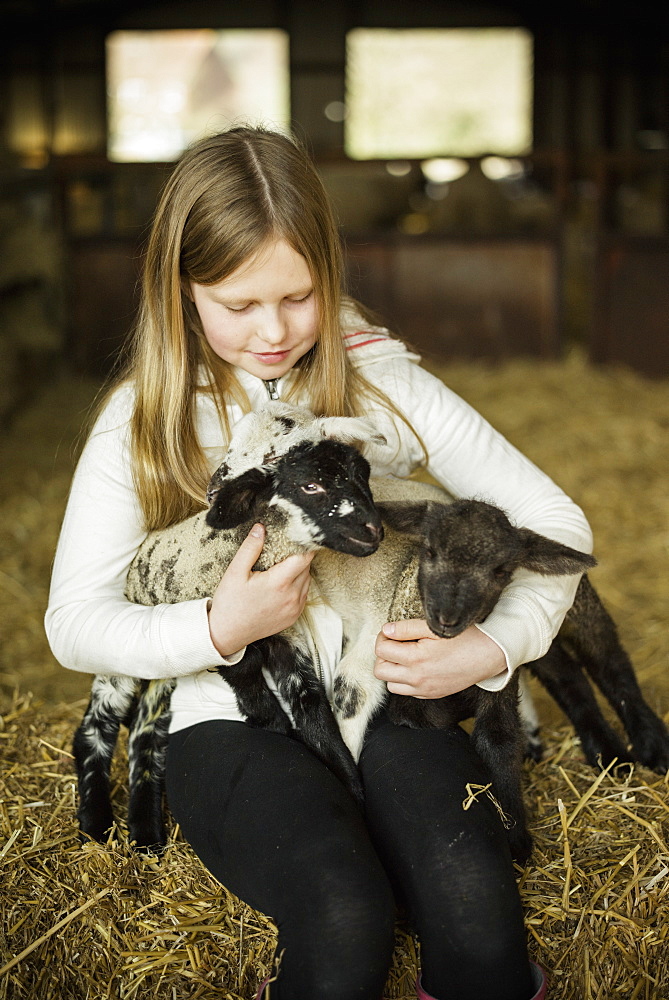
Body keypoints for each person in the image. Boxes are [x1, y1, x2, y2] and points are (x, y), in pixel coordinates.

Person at [46, 126, 592, 1000]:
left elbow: (552, 519)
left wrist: (491, 649)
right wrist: (218, 627)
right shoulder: (140, 418)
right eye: (237, 304)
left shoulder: (379, 385)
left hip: (378, 689)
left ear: (330, 274)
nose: (273, 332)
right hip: (226, 719)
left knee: (474, 915)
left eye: (298, 297)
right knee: (343, 916)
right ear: (181, 291)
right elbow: (73, 623)